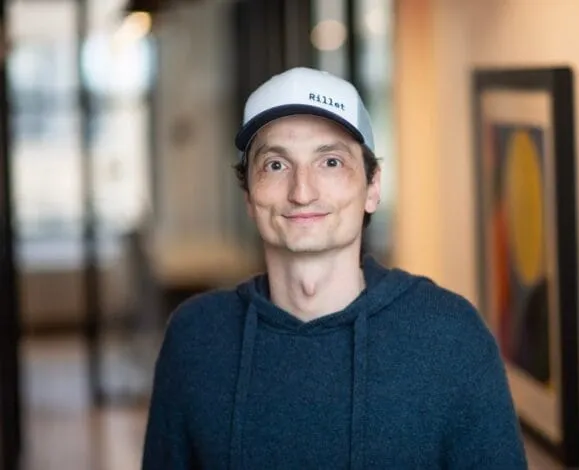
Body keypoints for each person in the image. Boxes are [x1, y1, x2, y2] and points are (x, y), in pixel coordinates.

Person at [141, 66, 528, 469]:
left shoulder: (450, 336)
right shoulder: (196, 339)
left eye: (330, 162)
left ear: (372, 188)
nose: (302, 192)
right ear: (249, 198)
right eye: (276, 165)